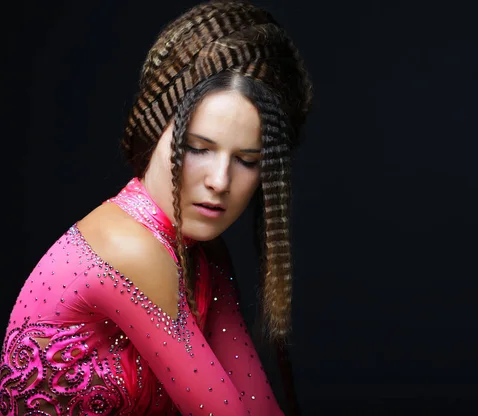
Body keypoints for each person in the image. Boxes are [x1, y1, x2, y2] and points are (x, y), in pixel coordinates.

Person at [0, 0, 312, 414]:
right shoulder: (132, 249)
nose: (219, 181)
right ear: (154, 131)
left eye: (247, 161)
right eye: (198, 148)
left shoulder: (204, 255)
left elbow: (257, 406)